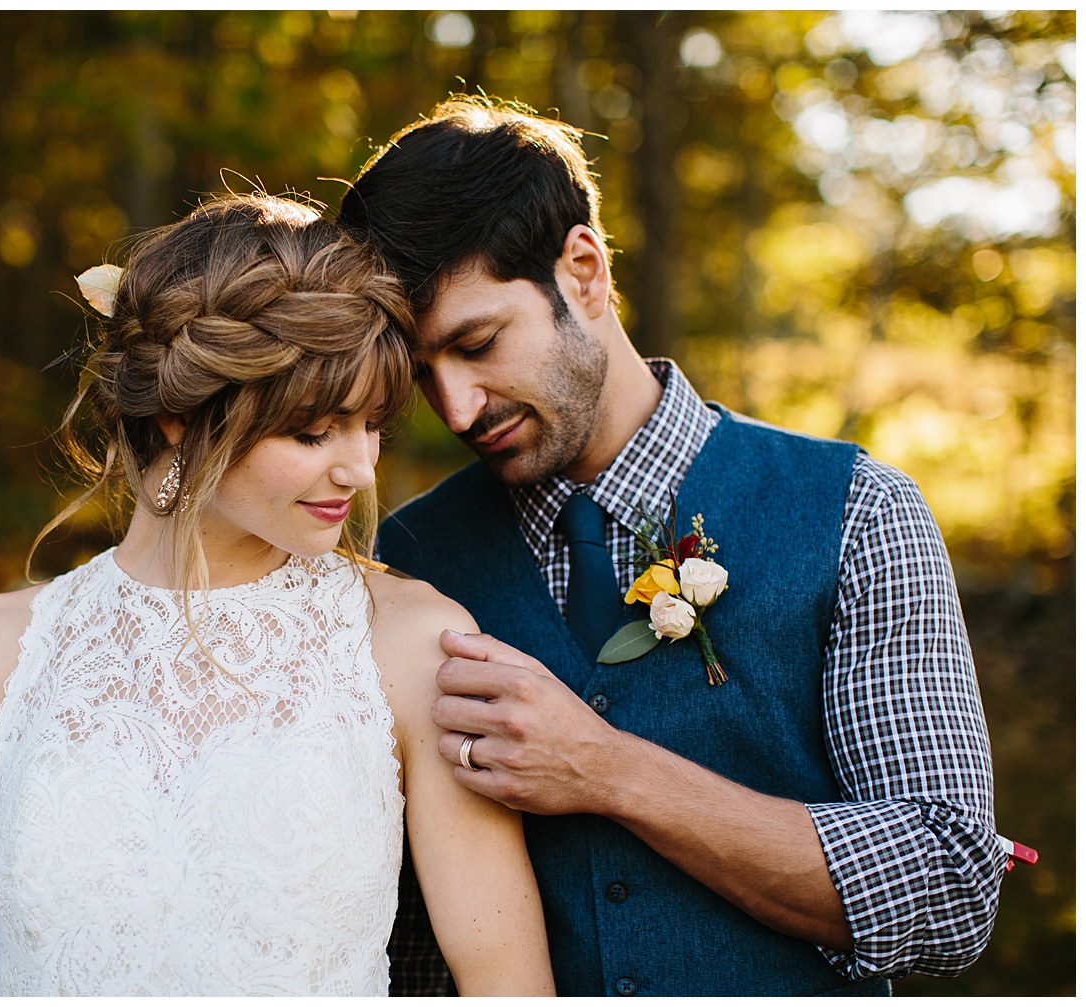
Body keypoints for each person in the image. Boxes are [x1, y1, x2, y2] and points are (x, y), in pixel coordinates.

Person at [337, 96, 1006, 997]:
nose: (456, 409)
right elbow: (404, 942)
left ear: (581, 271)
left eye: (479, 343)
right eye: (421, 374)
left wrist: (607, 768)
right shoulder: (399, 563)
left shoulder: (855, 511)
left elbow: (949, 885)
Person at [0, 194, 555, 996]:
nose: (359, 469)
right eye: (311, 431)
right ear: (176, 418)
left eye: (369, 423)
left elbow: (511, 986)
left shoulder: (412, 647)